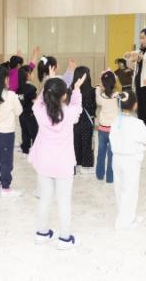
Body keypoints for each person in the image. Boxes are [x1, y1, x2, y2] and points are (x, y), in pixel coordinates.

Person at [29, 73, 86, 250]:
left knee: (45, 198)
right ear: (63, 96)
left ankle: (42, 233)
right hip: (63, 163)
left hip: (44, 161)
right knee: (64, 200)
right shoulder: (69, 113)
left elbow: (39, 101)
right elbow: (77, 106)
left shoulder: (39, 111)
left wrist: (47, 83)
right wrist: (77, 89)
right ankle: (64, 238)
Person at [110, 91, 146, 230]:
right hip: (130, 161)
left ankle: (129, 215)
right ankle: (124, 222)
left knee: (120, 189)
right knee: (130, 191)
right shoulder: (137, 123)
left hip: (116, 159)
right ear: (135, 105)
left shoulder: (116, 121)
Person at [0, 65, 23, 197]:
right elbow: (19, 111)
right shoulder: (11, 95)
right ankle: (6, 188)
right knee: (6, 161)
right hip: (6, 134)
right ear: (5, 79)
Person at [71, 66, 96, 174]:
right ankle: (86, 166)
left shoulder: (71, 90)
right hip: (87, 120)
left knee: (75, 142)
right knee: (87, 143)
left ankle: (76, 164)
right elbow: (93, 106)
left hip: (75, 121)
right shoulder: (92, 91)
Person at [95, 70, 118, 183]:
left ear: (103, 84)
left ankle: (99, 175)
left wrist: (98, 88)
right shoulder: (117, 96)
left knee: (101, 153)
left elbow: (97, 97)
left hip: (102, 129)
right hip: (114, 130)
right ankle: (110, 178)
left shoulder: (101, 97)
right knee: (112, 154)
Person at [16, 65, 38, 154]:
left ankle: (25, 148)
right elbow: (35, 102)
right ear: (28, 75)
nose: (33, 75)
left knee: (25, 132)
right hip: (30, 114)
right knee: (34, 132)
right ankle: (36, 150)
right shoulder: (32, 88)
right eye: (32, 73)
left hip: (22, 114)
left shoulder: (18, 88)